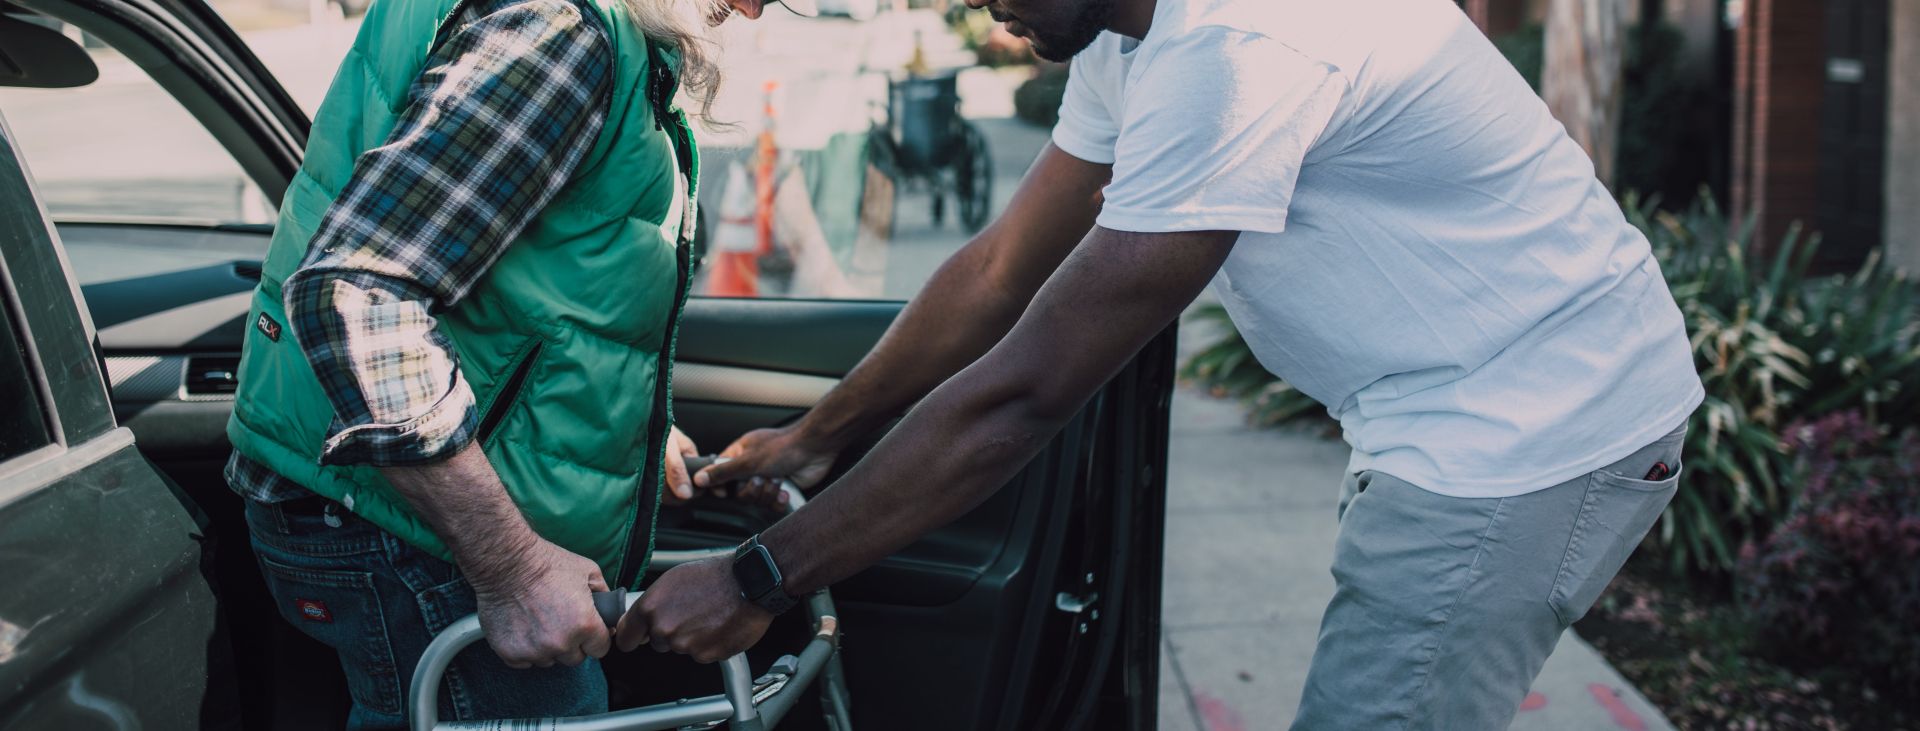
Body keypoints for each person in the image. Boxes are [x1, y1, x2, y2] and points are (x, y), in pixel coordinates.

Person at [622, 0, 1705, 728]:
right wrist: (817, 434)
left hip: (1533, 430)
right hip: (1449, 410)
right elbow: (1002, 269)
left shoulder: (1239, 48)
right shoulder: (1129, 38)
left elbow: (1029, 388)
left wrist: (760, 575)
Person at [222, 0, 790, 726]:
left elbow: (530, 284)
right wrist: (512, 567)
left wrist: (624, 428)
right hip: (413, 531)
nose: (750, 7)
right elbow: (360, 295)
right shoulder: (557, 29)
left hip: (380, 503)